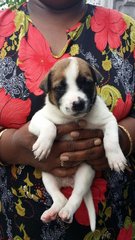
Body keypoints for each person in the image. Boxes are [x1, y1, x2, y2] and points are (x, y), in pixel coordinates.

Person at [0, 0, 135, 239]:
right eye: (61, 88)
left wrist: (121, 140)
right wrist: (10, 146)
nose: (77, 98)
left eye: (85, 85)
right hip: (19, 222)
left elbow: (111, 124)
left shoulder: (128, 32)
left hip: (113, 219)